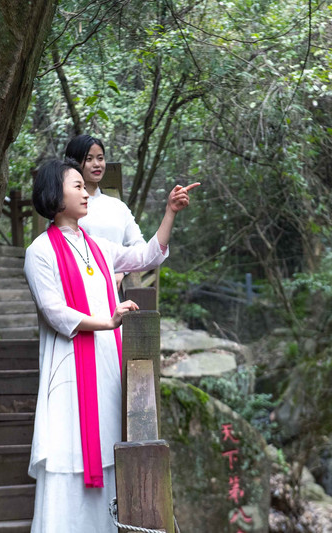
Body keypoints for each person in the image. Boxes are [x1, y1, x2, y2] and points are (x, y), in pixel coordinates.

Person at [23, 157, 199, 533]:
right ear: (55, 195)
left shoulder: (98, 246)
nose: (85, 192)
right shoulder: (39, 251)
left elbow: (146, 255)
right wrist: (109, 321)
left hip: (107, 368)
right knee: (69, 454)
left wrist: (169, 213)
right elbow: (56, 313)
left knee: (108, 451)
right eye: (76, 186)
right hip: (68, 371)